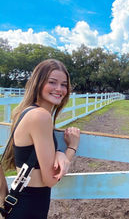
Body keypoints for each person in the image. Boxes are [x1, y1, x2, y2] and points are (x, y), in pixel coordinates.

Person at [2, 59, 80, 219]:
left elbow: (39, 151)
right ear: (38, 83)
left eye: (64, 84)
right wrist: (70, 149)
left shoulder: (27, 112)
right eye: (52, 82)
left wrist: (58, 152)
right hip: (28, 211)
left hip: (21, 206)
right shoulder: (41, 116)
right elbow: (50, 179)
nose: (59, 89)